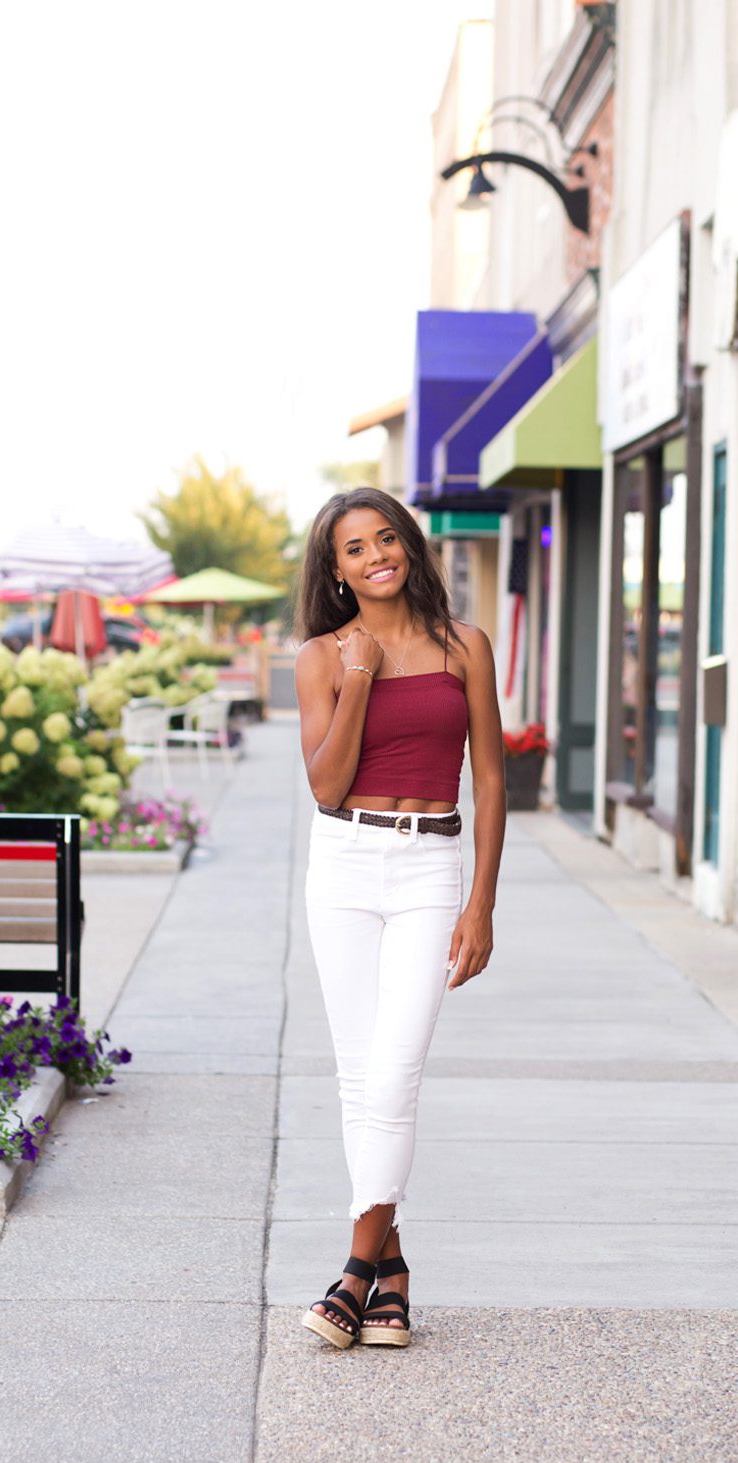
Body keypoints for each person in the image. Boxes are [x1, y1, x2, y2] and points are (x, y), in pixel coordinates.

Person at [291, 486, 507, 1349]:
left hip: (429, 865)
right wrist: (358, 676)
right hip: (344, 862)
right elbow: (325, 785)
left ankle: (352, 1270)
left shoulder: (466, 647)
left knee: (395, 1077)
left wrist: (480, 900)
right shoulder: (321, 656)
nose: (375, 554)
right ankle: (394, 1272)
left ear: (410, 546)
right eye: (354, 548)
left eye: (386, 537)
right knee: (358, 1079)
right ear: (336, 570)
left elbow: (490, 778)